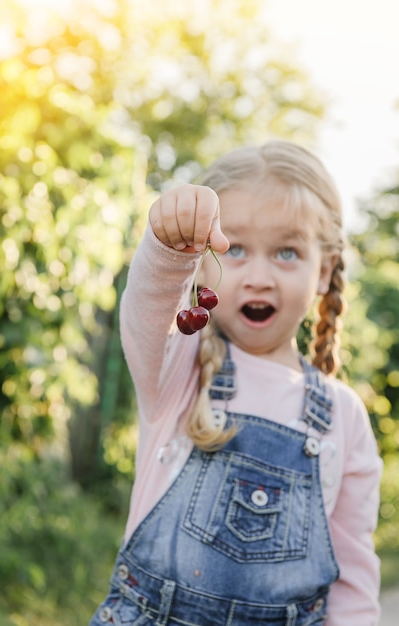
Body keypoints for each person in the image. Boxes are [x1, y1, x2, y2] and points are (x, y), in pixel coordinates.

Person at [90, 140, 382, 626]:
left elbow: (352, 580)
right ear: (205, 261)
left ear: (324, 269)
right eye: (237, 249)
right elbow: (147, 311)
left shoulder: (342, 414)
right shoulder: (180, 367)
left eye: (287, 251)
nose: (259, 277)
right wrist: (169, 246)